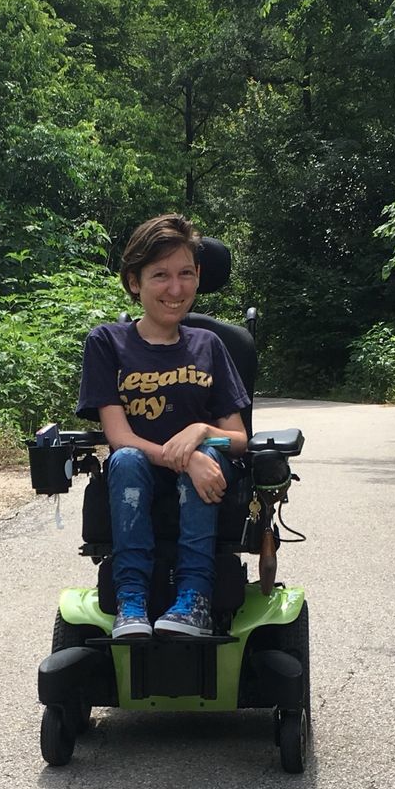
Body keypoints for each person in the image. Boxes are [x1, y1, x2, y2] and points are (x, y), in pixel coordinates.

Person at [76, 213, 250, 639]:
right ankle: (130, 600)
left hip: (208, 475)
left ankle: (195, 598)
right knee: (129, 459)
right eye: (160, 276)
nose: (176, 289)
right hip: (137, 472)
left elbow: (239, 438)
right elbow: (118, 438)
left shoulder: (212, 345)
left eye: (186, 274)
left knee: (209, 454)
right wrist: (184, 458)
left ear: (198, 276)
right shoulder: (107, 343)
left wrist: (201, 433)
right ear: (134, 281)